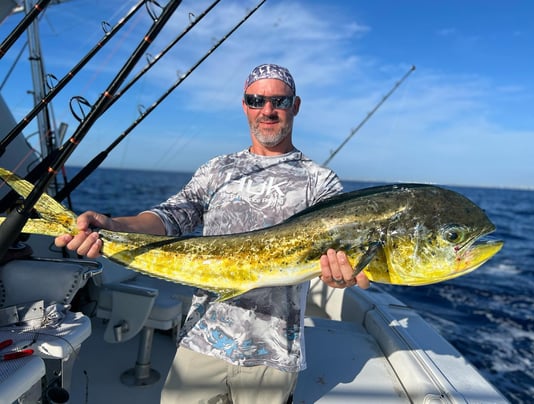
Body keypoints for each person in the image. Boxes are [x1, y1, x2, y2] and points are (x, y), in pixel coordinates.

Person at [55, 63, 370, 404]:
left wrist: (345, 274)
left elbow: (351, 261)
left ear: (295, 106)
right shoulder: (217, 169)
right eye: (256, 100)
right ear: (244, 105)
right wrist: (114, 226)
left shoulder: (320, 182)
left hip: (274, 355)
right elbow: (171, 217)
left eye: (279, 101)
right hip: (202, 341)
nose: (267, 110)